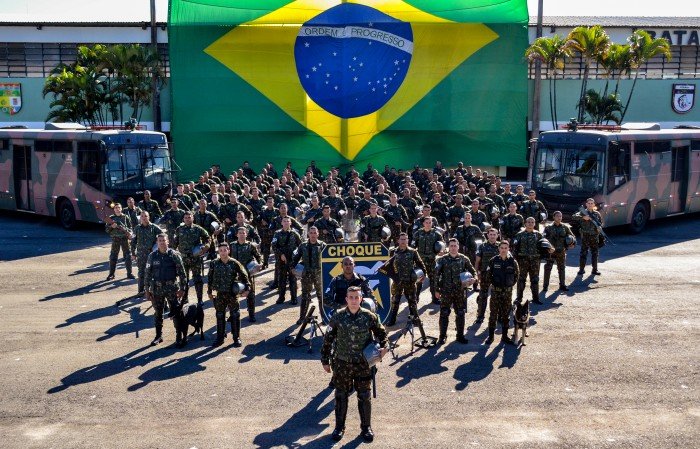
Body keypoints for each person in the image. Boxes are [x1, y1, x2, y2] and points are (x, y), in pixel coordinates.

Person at [321, 286, 389, 443]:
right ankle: (339, 427)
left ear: (361, 299)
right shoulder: (337, 317)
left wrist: (384, 347)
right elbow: (328, 339)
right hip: (342, 363)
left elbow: (381, 333)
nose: (353, 300)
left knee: (364, 396)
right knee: (340, 395)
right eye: (350, 297)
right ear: (346, 299)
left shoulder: (369, 316)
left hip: (362, 364)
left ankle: (366, 428)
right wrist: (325, 360)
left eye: (356, 297)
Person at [144, 234, 187, 346]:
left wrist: (182, 289)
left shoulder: (174, 255)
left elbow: (183, 274)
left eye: (164, 240)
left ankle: (179, 336)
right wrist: (147, 291)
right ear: (157, 242)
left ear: (168, 241)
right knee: (158, 313)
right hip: (157, 289)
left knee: (176, 312)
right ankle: (158, 336)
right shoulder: (152, 256)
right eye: (160, 240)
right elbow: (147, 274)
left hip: (172, 288)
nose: (162, 242)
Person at [207, 242, 251, 347]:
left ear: (228, 250)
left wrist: (247, 289)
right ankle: (220, 338)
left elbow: (245, 276)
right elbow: (210, 278)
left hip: (232, 294)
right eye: (220, 250)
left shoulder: (234, 263)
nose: (222, 252)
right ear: (218, 251)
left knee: (235, 315)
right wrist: (209, 292)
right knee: (220, 315)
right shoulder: (214, 263)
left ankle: (236, 338)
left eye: (224, 250)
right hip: (220, 294)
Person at [434, 238, 476, 344]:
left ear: (458, 246)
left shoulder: (464, 259)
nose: (453, 248)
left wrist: (474, 278)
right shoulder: (442, 259)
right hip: (446, 291)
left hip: (459, 291)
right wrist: (436, 290)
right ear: (448, 247)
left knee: (460, 313)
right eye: (451, 246)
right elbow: (436, 275)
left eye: (455, 245)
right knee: (444, 313)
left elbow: (472, 270)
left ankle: (460, 336)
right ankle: (442, 336)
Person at [384, 233, 427, 326]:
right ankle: (392, 320)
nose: (403, 241)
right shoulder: (393, 252)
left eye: (405, 239)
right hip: (397, 281)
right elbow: (388, 265)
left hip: (410, 281)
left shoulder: (413, 252)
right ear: (398, 240)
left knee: (412, 301)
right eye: (402, 239)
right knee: (395, 301)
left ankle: (415, 318)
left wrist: (423, 275)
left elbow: (420, 264)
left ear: (408, 240)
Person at [484, 241, 519, 344]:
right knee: (493, 314)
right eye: (502, 248)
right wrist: (493, 285)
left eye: (506, 248)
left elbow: (516, 276)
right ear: (499, 249)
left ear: (508, 249)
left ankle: (504, 336)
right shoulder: (493, 261)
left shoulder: (513, 262)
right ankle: (491, 337)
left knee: (505, 315)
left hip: (507, 293)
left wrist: (509, 285)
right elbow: (488, 275)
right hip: (496, 292)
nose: (503, 250)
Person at [173, 211, 211, 303]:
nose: (187, 219)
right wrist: (172, 254)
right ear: (183, 219)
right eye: (186, 218)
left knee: (197, 279)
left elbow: (208, 238)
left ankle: (200, 299)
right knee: (184, 280)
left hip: (195, 258)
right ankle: (185, 299)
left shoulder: (198, 229)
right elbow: (175, 243)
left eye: (189, 217)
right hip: (183, 259)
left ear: (193, 218)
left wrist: (205, 248)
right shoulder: (179, 229)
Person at [291, 226, 326, 323]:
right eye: (311, 233)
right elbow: (296, 257)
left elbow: (327, 260)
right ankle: (302, 318)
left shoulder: (323, 245)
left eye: (315, 233)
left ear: (318, 234)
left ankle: (324, 317)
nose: (313, 235)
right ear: (308, 234)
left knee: (321, 297)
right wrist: (292, 268)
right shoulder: (303, 246)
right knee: (305, 296)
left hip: (319, 275)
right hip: (306, 275)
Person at [512, 217, 548, 305]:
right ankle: (519, 298)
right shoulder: (519, 234)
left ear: (535, 224)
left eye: (532, 222)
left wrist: (546, 254)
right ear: (525, 223)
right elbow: (515, 248)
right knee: (521, 280)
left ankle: (535, 298)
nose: (530, 224)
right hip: (522, 261)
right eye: (528, 222)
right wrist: (514, 260)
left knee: (535, 280)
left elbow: (544, 247)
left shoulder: (538, 235)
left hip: (535, 261)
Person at [230, 227, 263, 322]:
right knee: (233, 294)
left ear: (246, 234)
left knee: (250, 294)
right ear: (237, 234)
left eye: (243, 233)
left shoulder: (251, 246)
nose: (241, 234)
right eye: (239, 233)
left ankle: (251, 314)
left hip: (248, 273)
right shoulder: (232, 246)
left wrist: (259, 264)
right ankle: (233, 314)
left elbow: (258, 256)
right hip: (235, 274)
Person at [412, 216, 444, 304]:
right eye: (426, 222)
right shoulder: (418, 233)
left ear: (432, 223)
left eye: (430, 222)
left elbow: (442, 245)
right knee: (419, 279)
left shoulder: (437, 234)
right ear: (423, 224)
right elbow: (413, 246)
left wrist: (441, 251)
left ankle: (435, 298)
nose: (428, 224)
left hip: (432, 260)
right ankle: (416, 298)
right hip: (420, 261)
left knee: (433, 280)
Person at [543, 211, 576, 292]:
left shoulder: (565, 227)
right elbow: (543, 239)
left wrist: (572, 244)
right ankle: (545, 286)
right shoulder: (548, 227)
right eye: (557, 216)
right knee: (548, 268)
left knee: (561, 269)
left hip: (561, 251)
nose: (559, 218)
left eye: (560, 216)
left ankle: (562, 285)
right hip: (551, 252)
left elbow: (573, 237)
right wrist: (546, 248)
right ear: (554, 217)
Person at [272, 216, 302, 304]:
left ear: (290, 223)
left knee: (293, 279)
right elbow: (274, 246)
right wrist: (280, 254)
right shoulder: (277, 233)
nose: (285, 223)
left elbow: (300, 246)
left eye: (287, 221)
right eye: (284, 221)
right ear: (281, 223)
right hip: (281, 260)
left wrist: (297, 256)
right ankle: (281, 297)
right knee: (282, 279)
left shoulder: (295, 234)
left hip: (292, 260)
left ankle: (294, 298)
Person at [474, 227, 501, 325]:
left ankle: (497, 316)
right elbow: (477, 261)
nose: (493, 236)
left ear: (497, 235)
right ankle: (480, 316)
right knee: (483, 296)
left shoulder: (501, 246)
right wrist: (476, 273)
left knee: (497, 296)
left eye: (494, 234)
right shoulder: (482, 246)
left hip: (498, 275)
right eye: (491, 234)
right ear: (487, 235)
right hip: (485, 274)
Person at [131, 211, 161, 296]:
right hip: (141, 255)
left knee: (153, 272)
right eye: (142, 216)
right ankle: (141, 291)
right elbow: (133, 242)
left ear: (149, 217)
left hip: (152, 254)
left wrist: (157, 246)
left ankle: (153, 290)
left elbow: (163, 237)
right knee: (141, 273)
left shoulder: (154, 227)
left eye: (146, 216)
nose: (144, 218)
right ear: (140, 218)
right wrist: (133, 253)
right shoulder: (137, 228)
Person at [572, 198, 603, 276]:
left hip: (594, 236)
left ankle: (594, 270)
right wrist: (583, 217)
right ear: (586, 204)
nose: (590, 205)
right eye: (588, 203)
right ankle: (581, 270)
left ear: (594, 204)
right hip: (585, 236)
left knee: (595, 253)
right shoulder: (582, 213)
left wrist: (600, 228)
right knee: (583, 253)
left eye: (591, 203)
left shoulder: (597, 214)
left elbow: (600, 223)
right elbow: (573, 216)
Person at [105, 203, 134, 281]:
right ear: (114, 209)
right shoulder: (111, 218)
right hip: (115, 240)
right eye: (116, 208)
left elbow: (130, 227)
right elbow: (106, 230)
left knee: (128, 257)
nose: (117, 209)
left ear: (121, 209)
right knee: (113, 257)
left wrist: (130, 233)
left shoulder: (125, 217)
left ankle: (129, 273)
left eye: (119, 207)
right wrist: (111, 226)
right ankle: (111, 274)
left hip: (125, 239)